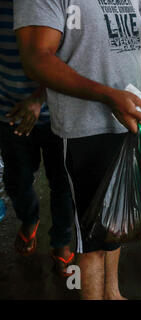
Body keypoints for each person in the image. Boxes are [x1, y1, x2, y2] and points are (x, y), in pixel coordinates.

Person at [14, 0, 141, 299]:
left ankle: (113, 293)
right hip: (84, 129)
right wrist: (107, 96)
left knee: (116, 222)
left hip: (129, 122)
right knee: (90, 239)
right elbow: (36, 57)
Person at [0, 0, 74, 277]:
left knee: (62, 183)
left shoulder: (56, 4)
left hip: (58, 110)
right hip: (9, 110)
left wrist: (39, 98)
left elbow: (70, 56)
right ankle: (30, 218)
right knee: (16, 181)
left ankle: (62, 241)